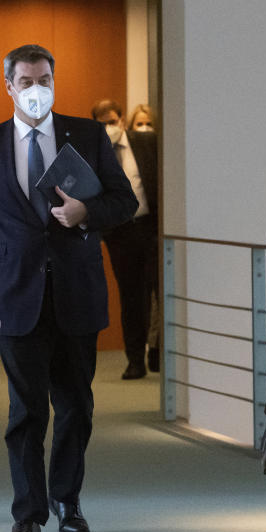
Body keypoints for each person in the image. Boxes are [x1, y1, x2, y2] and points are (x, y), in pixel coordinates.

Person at [0, 44, 137, 532]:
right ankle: (28, 517)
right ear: (9, 87)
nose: (36, 89)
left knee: (76, 407)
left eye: (44, 80)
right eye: (26, 81)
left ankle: (68, 498)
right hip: (16, 297)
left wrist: (87, 212)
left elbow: (123, 201)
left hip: (77, 293)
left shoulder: (87, 135)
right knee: (25, 413)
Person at [91, 98, 159, 379]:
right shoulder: (96, 153)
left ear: (121, 119)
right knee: (131, 298)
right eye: (103, 123)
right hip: (120, 233)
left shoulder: (145, 143)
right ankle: (135, 360)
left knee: (160, 290)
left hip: (151, 228)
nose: (110, 127)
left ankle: (160, 353)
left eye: (113, 121)